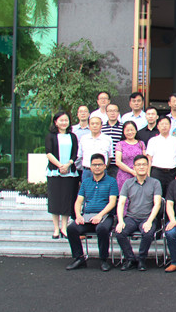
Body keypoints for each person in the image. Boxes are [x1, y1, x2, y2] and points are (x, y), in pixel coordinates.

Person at [65, 154, 118, 271]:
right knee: (71, 228)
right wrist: (78, 216)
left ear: (105, 166)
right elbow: (78, 201)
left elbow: (112, 202)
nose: (97, 167)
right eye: (94, 165)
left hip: (105, 216)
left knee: (102, 229)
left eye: (99, 164)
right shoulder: (86, 182)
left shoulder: (112, 181)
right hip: (87, 216)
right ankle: (79, 258)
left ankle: (103, 260)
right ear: (90, 166)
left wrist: (100, 215)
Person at [114, 155, 162, 271]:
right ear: (134, 167)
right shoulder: (128, 183)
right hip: (131, 217)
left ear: (148, 166)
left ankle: (141, 259)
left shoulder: (155, 183)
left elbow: (157, 204)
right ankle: (130, 259)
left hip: (147, 217)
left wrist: (149, 221)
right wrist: (120, 221)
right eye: (138, 165)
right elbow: (121, 203)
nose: (141, 167)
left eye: (144, 164)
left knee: (148, 233)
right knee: (120, 232)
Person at [46, 111, 79, 239]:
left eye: (66, 120)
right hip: (54, 172)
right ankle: (56, 228)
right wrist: (60, 166)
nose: (64, 122)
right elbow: (49, 153)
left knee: (67, 200)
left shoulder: (72, 136)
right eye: (61, 120)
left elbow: (75, 153)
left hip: (69, 172)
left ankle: (64, 227)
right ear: (56, 122)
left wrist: (68, 165)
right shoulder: (51, 136)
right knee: (55, 200)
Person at [146, 116, 176, 196]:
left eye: (166, 124)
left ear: (170, 126)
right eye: (162, 124)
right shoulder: (153, 140)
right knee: (156, 195)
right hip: (157, 172)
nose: (164, 126)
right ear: (157, 126)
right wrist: (148, 173)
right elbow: (149, 159)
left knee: (171, 195)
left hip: (172, 172)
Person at [76, 116, 112, 181]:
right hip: (87, 171)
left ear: (101, 126)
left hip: (102, 172)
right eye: (92, 124)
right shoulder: (83, 138)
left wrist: (103, 167)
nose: (95, 126)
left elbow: (110, 156)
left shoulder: (107, 139)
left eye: (97, 124)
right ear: (89, 126)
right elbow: (80, 156)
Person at [115, 121, 146, 192]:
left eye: (132, 130)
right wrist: (132, 171)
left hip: (139, 175)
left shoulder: (141, 143)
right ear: (123, 132)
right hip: (124, 175)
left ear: (136, 130)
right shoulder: (120, 144)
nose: (130, 132)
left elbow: (145, 160)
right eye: (127, 130)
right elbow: (118, 162)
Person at [102, 103, 123, 178]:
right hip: (104, 163)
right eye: (110, 111)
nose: (112, 113)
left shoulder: (123, 127)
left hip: (118, 163)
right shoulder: (101, 128)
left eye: (115, 111)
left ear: (118, 113)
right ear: (106, 113)